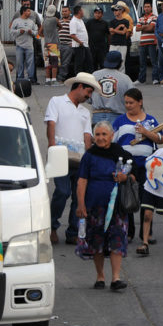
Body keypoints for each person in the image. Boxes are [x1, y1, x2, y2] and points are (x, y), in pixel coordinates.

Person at [76, 121, 134, 291]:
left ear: (112, 136)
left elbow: (134, 176)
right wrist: (81, 204)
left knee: (117, 240)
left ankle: (116, 278)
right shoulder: (89, 155)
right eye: (98, 135)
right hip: (95, 206)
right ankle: (100, 276)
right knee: (97, 242)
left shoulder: (121, 153)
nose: (101, 138)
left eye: (104, 134)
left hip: (117, 207)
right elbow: (82, 180)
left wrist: (125, 178)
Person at [46, 72, 101, 245]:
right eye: (88, 91)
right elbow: (51, 125)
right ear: (79, 86)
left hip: (80, 158)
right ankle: (52, 227)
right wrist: (52, 147)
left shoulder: (85, 112)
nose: (89, 96)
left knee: (79, 196)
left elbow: (87, 135)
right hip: (61, 155)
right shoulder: (56, 101)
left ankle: (73, 231)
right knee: (62, 192)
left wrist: (90, 157)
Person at [113, 88, 163, 243]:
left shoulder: (150, 120)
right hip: (126, 166)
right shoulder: (119, 121)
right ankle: (128, 232)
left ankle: (146, 232)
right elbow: (113, 142)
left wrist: (145, 132)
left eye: (131, 102)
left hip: (146, 165)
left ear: (140, 102)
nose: (128, 105)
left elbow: (161, 139)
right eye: (126, 102)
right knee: (126, 197)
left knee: (146, 198)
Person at [91, 50, 134, 126]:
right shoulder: (126, 79)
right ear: (120, 63)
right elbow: (133, 99)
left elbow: (88, 98)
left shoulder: (94, 75)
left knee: (98, 137)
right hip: (117, 116)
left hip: (97, 116)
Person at [10, 0, 41, 83]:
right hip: (19, 46)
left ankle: (31, 78)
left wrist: (32, 32)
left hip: (29, 46)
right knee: (20, 63)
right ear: (23, 12)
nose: (29, 12)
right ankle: (20, 78)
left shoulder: (31, 22)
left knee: (30, 63)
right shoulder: (16, 21)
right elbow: (11, 31)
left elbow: (36, 31)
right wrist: (19, 31)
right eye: (27, 11)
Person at [136, 2, 158, 85]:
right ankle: (141, 80)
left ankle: (155, 79)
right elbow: (137, 29)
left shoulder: (154, 17)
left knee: (153, 62)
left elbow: (151, 28)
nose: (147, 8)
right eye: (145, 7)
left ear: (151, 8)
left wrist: (143, 26)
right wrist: (146, 26)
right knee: (142, 62)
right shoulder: (141, 18)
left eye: (148, 7)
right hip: (142, 43)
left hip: (151, 42)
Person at [70, 5, 92, 74]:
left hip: (85, 45)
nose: (84, 12)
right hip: (79, 46)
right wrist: (80, 42)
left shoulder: (80, 20)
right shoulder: (74, 21)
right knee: (79, 64)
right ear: (79, 11)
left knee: (88, 62)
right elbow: (72, 35)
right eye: (83, 10)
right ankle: (78, 78)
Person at [42, 4, 61, 86]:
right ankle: (54, 80)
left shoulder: (45, 20)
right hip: (53, 44)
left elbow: (39, 32)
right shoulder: (55, 19)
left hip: (46, 44)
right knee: (54, 63)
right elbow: (61, 26)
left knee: (47, 63)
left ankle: (47, 80)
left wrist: (46, 36)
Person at [86, 6, 110, 71]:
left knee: (103, 64)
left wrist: (108, 45)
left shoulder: (105, 23)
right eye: (96, 13)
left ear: (102, 14)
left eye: (99, 13)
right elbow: (85, 34)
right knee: (92, 64)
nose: (97, 14)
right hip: (91, 47)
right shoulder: (89, 22)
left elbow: (108, 35)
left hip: (102, 48)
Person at [108, 4, 130, 73]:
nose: (114, 12)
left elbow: (124, 32)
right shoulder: (112, 21)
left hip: (122, 44)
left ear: (121, 11)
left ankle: (122, 77)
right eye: (114, 10)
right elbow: (111, 33)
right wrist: (119, 26)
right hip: (113, 44)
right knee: (111, 60)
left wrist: (114, 30)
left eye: (116, 10)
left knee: (122, 61)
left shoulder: (126, 21)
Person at [57, 6, 74, 82]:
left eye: (65, 11)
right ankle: (56, 77)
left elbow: (75, 34)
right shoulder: (59, 21)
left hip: (68, 45)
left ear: (70, 12)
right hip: (58, 45)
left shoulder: (72, 22)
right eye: (63, 11)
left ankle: (61, 78)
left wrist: (72, 43)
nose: (64, 13)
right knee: (57, 63)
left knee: (65, 63)